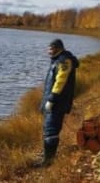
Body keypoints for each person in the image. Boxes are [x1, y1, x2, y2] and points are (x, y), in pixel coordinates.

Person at [35, 39, 79, 167]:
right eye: (48, 49)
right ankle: (47, 155)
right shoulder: (57, 59)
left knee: (51, 130)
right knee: (48, 128)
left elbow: (60, 81)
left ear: (58, 48)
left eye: (51, 49)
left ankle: (48, 161)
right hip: (55, 101)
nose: (48, 51)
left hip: (58, 102)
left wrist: (52, 99)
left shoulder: (64, 61)